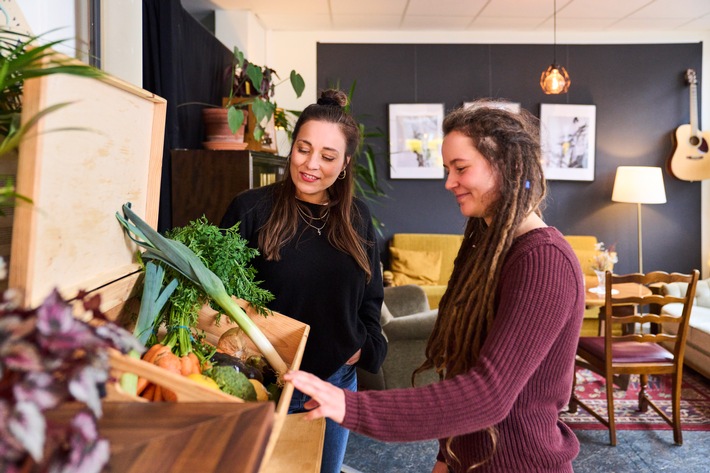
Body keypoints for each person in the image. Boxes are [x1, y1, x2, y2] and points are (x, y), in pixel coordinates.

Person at [285, 102, 585, 473]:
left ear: (505, 166)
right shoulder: (487, 244)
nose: (449, 182)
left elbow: (488, 395)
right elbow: (463, 368)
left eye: (461, 168)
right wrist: (446, 458)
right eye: (447, 169)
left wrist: (350, 405)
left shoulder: (544, 260)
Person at [220, 89, 387, 473]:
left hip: (333, 384)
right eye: (303, 149)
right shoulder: (250, 209)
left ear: (344, 163)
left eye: (328, 157)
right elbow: (217, 301)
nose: (311, 164)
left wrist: (362, 349)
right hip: (261, 385)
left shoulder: (357, 217)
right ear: (290, 147)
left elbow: (370, 301)